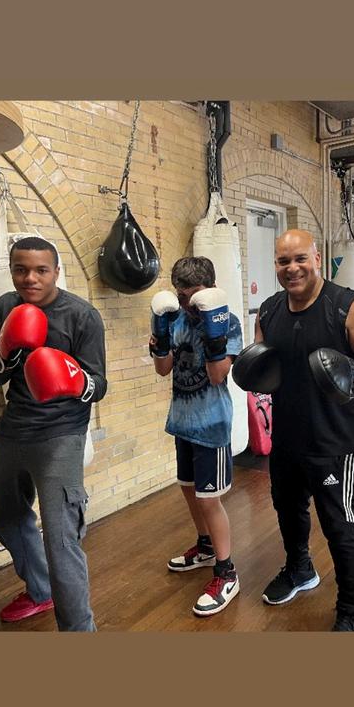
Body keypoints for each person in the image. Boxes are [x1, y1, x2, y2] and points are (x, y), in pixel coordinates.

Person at [238, 229, 354, 632]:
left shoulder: (348, 307)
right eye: (283, 261)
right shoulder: (269, 311)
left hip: (334, 439)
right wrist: (251, 369)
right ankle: (300, 568)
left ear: (317, 259)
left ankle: (352, 606)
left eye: (300, 259)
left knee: (339, 523)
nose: (292, 269)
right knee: (287, 509)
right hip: (287, 436)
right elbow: (263, 362)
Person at [0, 236, 107, 631]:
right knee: (6, 517)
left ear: (56, 271)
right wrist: (4, 349)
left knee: (60, 539)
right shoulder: (6, 307)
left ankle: (79, 632)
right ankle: (40, 590)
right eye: (20, 270)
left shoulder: (81, 315)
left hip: (61, 434)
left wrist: (73, 379)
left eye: (40, 270)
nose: (30, 278)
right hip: (14, 428)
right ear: (11, 271)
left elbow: (100, 385)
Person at [150, 256, 243, 617]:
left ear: (210, 289)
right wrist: (160, 338)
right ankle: (205, 547)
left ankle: (227, 573)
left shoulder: (228, 321)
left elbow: (218, 375)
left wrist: (212, 333)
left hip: (212, 424)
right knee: (189, 490)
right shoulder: (174, 318)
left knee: (209, 500)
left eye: (193, 295)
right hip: (182, 421)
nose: (187, 302)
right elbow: (163, 369)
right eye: (181, 295)